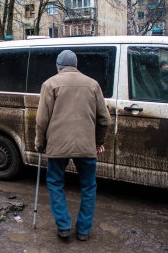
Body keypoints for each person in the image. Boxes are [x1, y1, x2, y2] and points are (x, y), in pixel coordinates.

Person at [35, 50, 111, 241]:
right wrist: (98, 142)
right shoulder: (93, 84)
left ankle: (64, 227)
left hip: (58, 146)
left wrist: (40, 144)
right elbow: (105, 120)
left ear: (58, 66)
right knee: (88, 186)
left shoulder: (50, 84)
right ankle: (84, 231)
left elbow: (41, 120)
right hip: (86, 146)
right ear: (76, 65)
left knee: (55, 183)